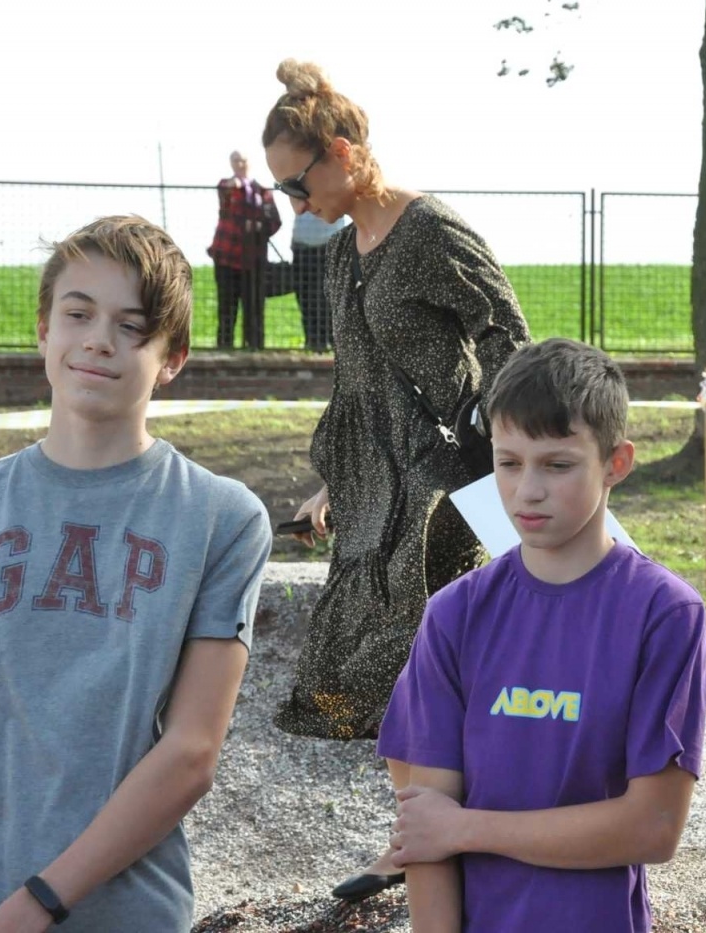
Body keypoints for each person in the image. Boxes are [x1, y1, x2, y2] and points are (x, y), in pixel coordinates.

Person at [0, 215, 273, 932]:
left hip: (123, 913)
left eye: (131, 326)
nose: (97, 340)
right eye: (77, 314)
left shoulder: (221, 518)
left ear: (173, 357)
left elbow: (190, 753)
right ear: (43, 331)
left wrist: (36, 906)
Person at [259, 59, 530, 899]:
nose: (293, 205)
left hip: (448, 484)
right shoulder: (344, 253)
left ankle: (441, 837)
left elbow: (509, 335)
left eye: (297, 184)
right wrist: (333, 486)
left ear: (341, 154)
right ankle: (425, 835)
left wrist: (508, 452)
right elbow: (359, 386)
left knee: (412, 649)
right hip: (379, 491)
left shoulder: (430, 231)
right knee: (349, 666)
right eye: (280, 191)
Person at [376, 337, 706, 933]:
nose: (527, 489)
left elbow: (654, 827)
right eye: (509, 463)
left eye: (557, 465)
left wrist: (469, 828)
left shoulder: (663, 613)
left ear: (616, 464)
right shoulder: (455, 614)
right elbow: (426, 831)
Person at [209, 150, 282, 350]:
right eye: (236, 160)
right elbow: (225, 197)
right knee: (227, 306)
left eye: (243, 160)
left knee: (254, 306)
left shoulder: (262, 191)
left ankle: (255, 346)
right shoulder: (226, 186)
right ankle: (225, 347)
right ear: (231, 163)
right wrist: (236, 186)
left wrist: (258, 226)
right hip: (227, 257)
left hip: (253, 259)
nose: (240, 164)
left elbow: (274, 221)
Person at [290, 208, 344, 351]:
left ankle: (333, 341)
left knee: (329, 297)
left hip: (330, 243)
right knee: (304, 296)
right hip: (302, 244)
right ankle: (313, 340)